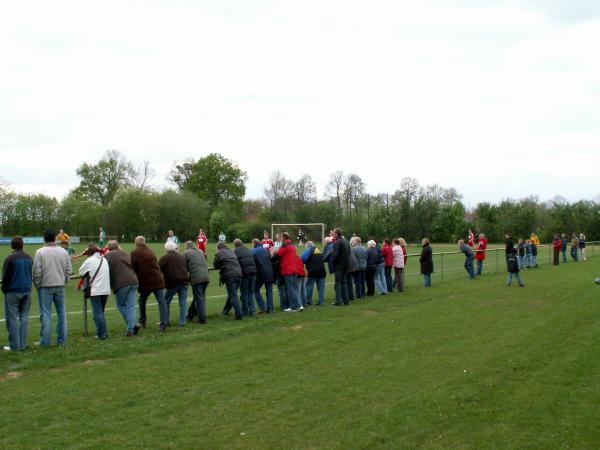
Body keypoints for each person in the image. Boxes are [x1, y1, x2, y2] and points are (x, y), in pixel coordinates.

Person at [33, 229, 72, 346]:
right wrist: (65, 280)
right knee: (62, 313)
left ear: (44, 239)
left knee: (45, 314)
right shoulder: (63, 252)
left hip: (45, 286)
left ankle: (45, 342)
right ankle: (62, 340)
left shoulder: (40, 252)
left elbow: (36, 272)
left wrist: (38, 285)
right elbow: (69, 269)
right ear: (55, 238)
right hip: (59, 286)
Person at [131, 236, 168, 331]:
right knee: (161, 301)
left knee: (142, 300)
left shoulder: (135, 253)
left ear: (136, 243)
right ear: (144, 242)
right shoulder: (151, 251)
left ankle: (142, 321)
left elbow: (132, 268)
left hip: (146, 281)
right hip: (158, 279)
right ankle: (163, 324)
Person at [2, 237, 33, 351]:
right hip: (27, 291)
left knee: (13, 319)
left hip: (13, 292)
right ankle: (22, 345)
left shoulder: (9, 259)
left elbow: (5, 277)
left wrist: (4, 289)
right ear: (22, 245)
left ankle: (15, 346)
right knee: (24, 318)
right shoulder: (29, 257)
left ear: (12, 246)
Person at [104, 240, 140, 336]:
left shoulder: (108, 256)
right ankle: (131, 328)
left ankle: (132, 326)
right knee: (131, 306)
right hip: (133, 281)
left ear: (109, 248)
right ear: (117, 246)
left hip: (121, 283)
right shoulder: (125, 253)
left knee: (120, 305)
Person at [78, 243, 110, 339]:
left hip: (96, 290)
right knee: (101, 312)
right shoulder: (104, 259)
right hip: (106, 290)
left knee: (97, 313)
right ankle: (104, 332)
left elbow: (81, 272)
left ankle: (102, 334)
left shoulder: (89, 261)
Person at [159, 241, 189, 326]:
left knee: (166, 302)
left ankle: (165, 321)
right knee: (182, 303)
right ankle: (182, 322)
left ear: (166, 249)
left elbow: (158, 270)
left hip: (172, 283)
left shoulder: (164, 258)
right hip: (184, 282)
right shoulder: (181, 257)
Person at [213, 241, 243, 319]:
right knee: (232, 295)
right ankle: (225, 311)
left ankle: (239, 314)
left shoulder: (219, 253)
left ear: (218, 247)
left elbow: (215, 264)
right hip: (239, 274)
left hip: (230, 276)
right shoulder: (231, 251)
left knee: (233, 296)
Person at [183, 241, 210, 324]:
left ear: (186, 246)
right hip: (206, 276)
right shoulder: (200, 251)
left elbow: (183, 265)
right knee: (198, 297)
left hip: (197, 278)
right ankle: (190, 314)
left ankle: (202, 319)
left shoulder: (186, 253)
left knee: (199, 298)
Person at [277, 232, 302, 311]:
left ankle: (293, 307)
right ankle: (299, 305)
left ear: (284, 237)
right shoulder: (292, 245)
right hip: (294, 269)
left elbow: (278, 255)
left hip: (287, 269)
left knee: (290, 288)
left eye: (281, 237)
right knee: (294, 288)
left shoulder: (285, 246)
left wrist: (273, 252)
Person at [233, 239, 258, 316]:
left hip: (244, 274)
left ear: (235, 245)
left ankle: (245, 311)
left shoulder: (235, 251)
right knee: (250, 292)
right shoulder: (248, 249)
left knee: (244, 293)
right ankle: (252, 311)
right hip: (253, 273)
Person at [252, 238, 274, 313]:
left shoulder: (253, 251)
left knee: (255, 290)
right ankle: (270, 309)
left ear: (254, 244)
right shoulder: (266, 250)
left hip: (261, 273)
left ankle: (262, 307)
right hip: (270, 272)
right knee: (269, 291)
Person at [302, 241, 326, 306]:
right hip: (322, 270)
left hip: (312, 270)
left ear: (308, 246)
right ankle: (321, 302)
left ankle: (308, 301)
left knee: (309, 286)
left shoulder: (308, 250)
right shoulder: (318, 250)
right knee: (321, 288)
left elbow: (302, 259)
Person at [332, 228, 350, 306]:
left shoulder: (337, 242)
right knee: (344, 282)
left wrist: (333, 262)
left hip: (339, 265)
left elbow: (335, 255)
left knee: (338, 283)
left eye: (333, 232)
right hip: (346, 264)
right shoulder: (346, 241)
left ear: (336, 234)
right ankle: (346, 301)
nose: (332, 233)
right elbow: (349, 252)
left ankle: (338, 301)